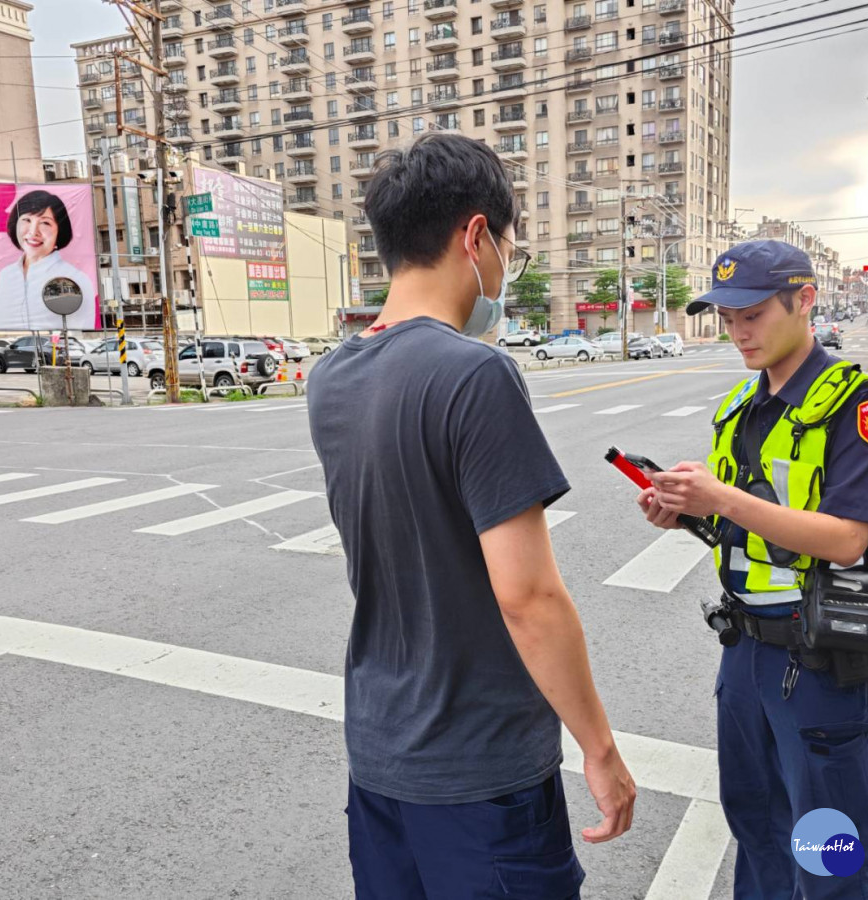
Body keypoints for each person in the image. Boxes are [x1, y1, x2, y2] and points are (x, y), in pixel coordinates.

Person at [306, 133, 636, 899]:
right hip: (481, 771)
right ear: (476, 235)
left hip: (381, 753)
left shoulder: (331, 377)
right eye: (508, 250)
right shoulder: (474, 373)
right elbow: (528, 597)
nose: (503, 272)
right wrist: (598, 747)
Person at [637, 240, 868, 899]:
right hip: (744, 655)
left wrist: (722, 498)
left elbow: (846, 538)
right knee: (756, 830)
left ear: (805, 299)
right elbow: (751, 536)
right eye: (727, 319)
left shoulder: (859, 405)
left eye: (752, 314)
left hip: (815, 662)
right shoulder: (739, 409)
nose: (738, 332)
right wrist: (689, 513)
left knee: (828, 851)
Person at [0, 190, 96, 331]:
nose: (33, 231)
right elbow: (1, 325)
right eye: (27, 220)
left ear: (60, 230)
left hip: (55, 350)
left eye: (45, 223)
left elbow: (81, 330)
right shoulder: (6, 275)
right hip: (13, 350)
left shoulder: (74, 279)